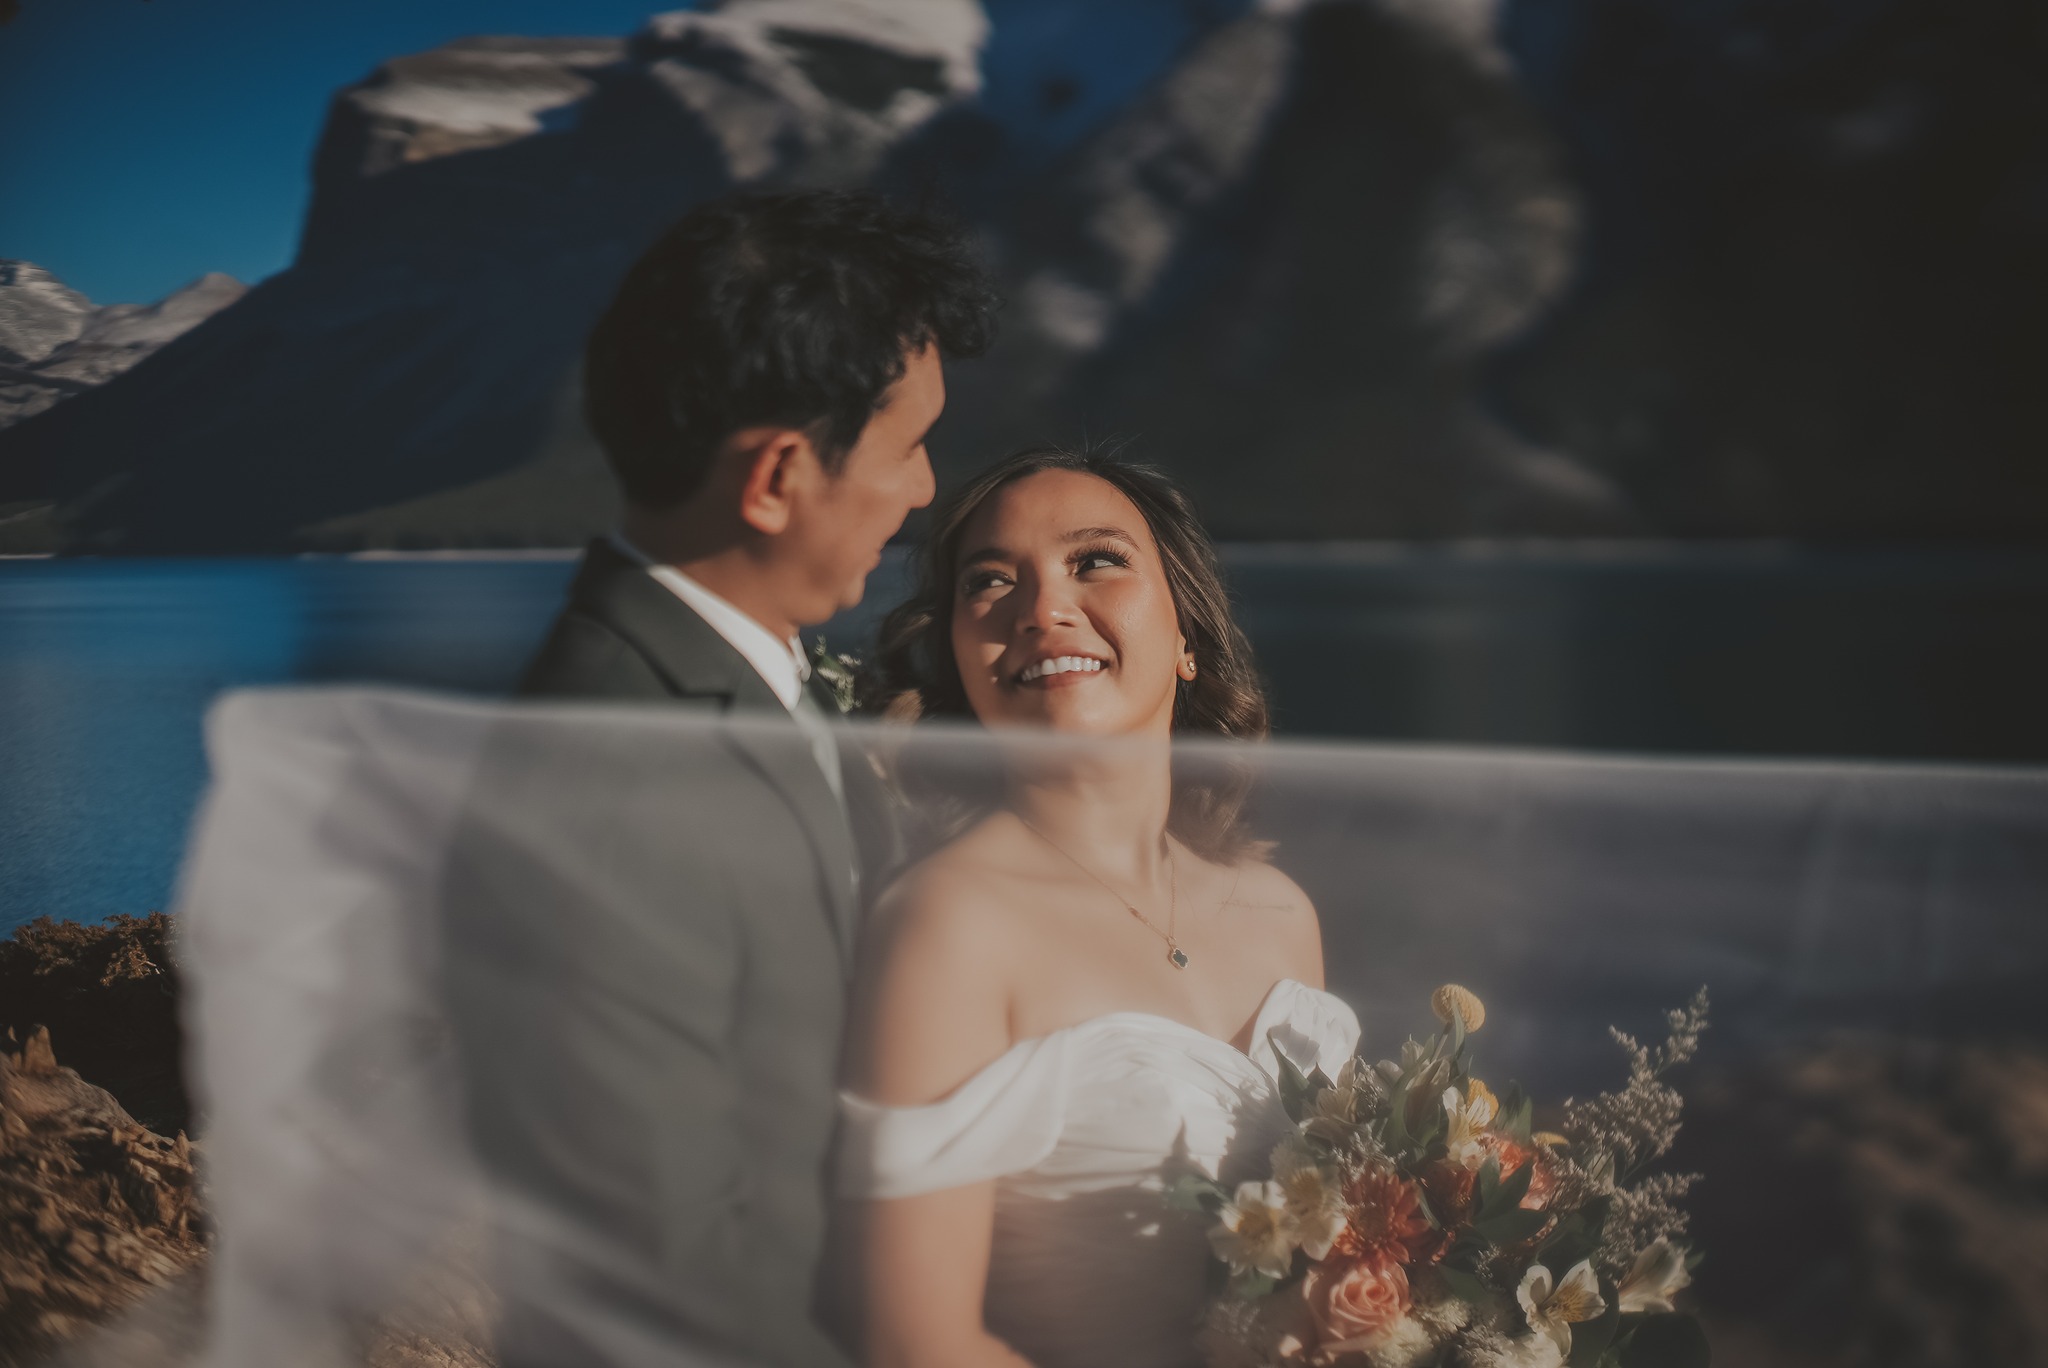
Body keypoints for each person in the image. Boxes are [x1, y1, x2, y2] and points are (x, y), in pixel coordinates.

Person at [443, 189, 996, 1368]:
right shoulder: (610, 778)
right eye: (906, 445)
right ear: (777, 479)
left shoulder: (752, 684)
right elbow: (660, 1281)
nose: (923, 489)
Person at [838, 447, 1361, 1368]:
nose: (1042, 609)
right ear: (961, 660)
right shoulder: (948, 923)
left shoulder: (1282, 915)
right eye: (990, 583)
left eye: (1096, 561)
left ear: (1188, 632)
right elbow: (918, 1342)